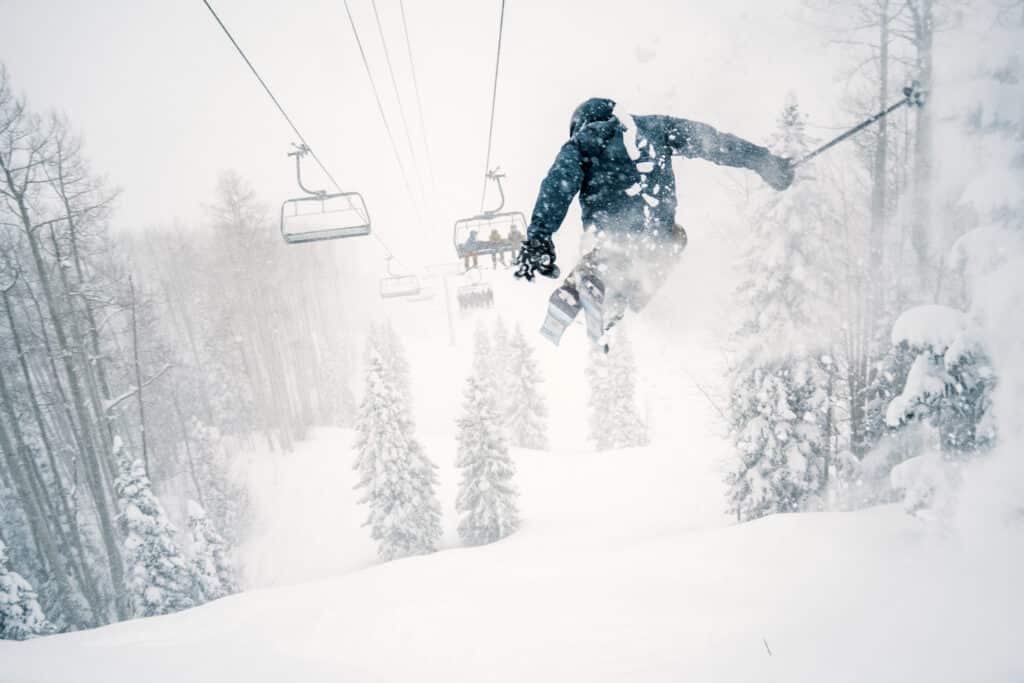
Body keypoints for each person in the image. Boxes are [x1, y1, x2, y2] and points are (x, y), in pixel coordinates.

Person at [514, 97, 794, 347]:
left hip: (610, 233)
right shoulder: (656, 127)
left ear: (580, 123)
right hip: (656, 233)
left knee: (605, 253)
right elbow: (711, 141)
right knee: (670, 243)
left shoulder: (581, 143)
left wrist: (540, 236)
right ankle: (619, 296)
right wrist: (762, 160)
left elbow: (558, 185)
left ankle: (583, 285)